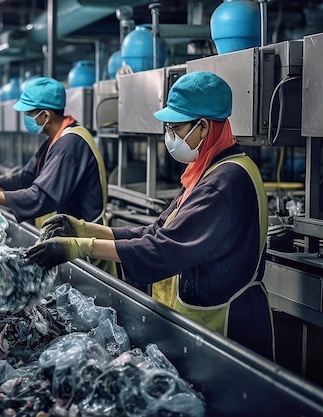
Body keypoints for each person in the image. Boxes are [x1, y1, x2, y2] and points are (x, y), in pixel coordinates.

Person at [26, 71, 275, 360]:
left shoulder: (225, 182)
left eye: (176, 127)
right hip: (200, 318)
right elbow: (155, 232)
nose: (169, 135)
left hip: (227, 327)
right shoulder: (207, 172)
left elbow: (163, 249)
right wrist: (82, 229)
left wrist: (79, 247)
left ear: (204, 127)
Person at [0, 77, 116, 275]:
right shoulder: (56, 139)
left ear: (45, 115)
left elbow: (41, 197)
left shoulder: (70, 144)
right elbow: (25, 178)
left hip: (84, 246)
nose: (26, 118)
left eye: (29, 113)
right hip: (66, 240)